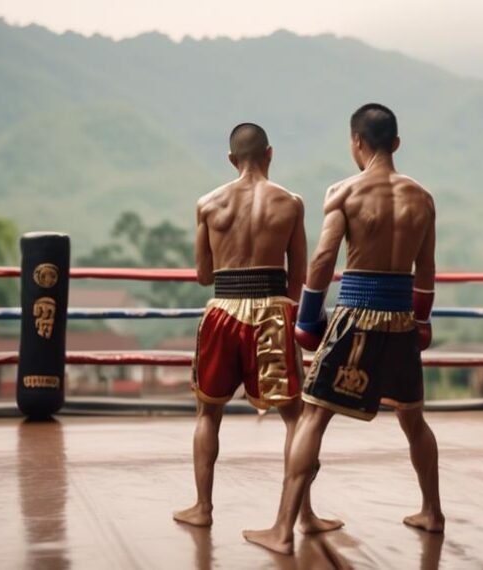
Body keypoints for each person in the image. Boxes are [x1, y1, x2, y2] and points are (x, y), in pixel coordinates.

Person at [244, 104, 444, 555]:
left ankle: (282, 529)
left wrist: (308, 319)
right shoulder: (423, 198)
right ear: (395, 143)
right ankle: (432, 512)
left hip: (356, 316)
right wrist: (423, 323)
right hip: (402, 319)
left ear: (357, 142)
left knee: (313, 416)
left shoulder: (345, 192)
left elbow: (321, 260)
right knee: (413, 419)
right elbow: (426, 268)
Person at [173, 123, 342, 535]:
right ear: (270, 154)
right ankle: (303, 516)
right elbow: (298, 275)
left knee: (208, 413)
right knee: (294, 418)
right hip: (273, 312)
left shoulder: (208, 204)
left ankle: (202, 507)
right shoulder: (290, 203)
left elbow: (202, 274)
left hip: (222, 314)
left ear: (232, 160)